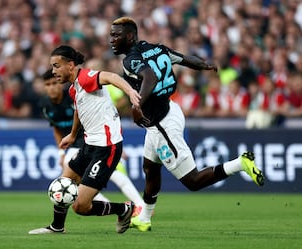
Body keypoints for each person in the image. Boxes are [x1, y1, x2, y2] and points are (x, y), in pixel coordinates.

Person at [109, 16, 265, 232]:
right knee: (150, 168)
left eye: (116, 35)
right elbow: (183, 59)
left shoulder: (131, 60)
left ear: (130, 36)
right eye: (111, 35)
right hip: (169, 110)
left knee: (193, 181)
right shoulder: (157, 48)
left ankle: (240, 163)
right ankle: (144, 218)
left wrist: (136, 106)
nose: (111, 40)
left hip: (161, 122)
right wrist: (204, 65)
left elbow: (150, 77)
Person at [30, 45, 141, 234]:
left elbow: (111, 77)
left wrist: (130, 92)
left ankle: (124, 209)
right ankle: (57, 226)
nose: (54, 71)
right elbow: (79, 111)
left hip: (107, 148)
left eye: (57, 66)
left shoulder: (86, 78)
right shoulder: (74, 89)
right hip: (89, 146)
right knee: (62, 183)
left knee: (80, 206)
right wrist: (73, 135)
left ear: (71, 65)